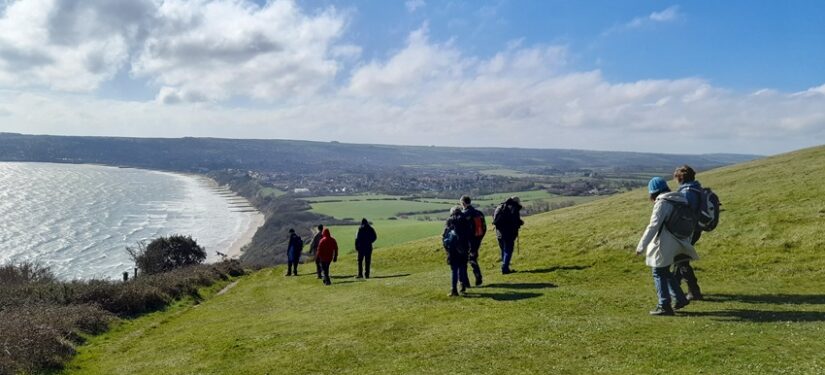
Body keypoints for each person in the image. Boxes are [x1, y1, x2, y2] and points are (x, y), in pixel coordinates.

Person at [636, 177, 699, 316]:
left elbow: (654, 225)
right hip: (680, 241)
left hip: (665, 242)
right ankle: (680, 298)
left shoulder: (662, 203)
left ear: (653, 192)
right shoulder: (681, 199)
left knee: (657, 272)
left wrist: (641, 246)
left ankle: (664, 305)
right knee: (665, 272)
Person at [673, 165, 704, 300]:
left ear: (680, 178)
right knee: (680, 258)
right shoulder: (696, 187)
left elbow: (686, 213)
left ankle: (694, 291)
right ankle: (675, 285)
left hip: (688, 229)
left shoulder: (687, 191)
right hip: (695, 228)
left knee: (681, 260)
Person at [444, 206, 472, 296]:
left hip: (452, 249)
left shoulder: (450, 220)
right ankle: (462, 286)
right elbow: (469, 234)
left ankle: (454, 290)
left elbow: (445, 235)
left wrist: (446, 247)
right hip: (464, 247)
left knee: (454, 270)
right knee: (463, 268)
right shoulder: (465, 219)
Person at [493, 196, 523, 274]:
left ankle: (505, 266)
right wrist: (520, 223)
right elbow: (515, 220)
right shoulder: (513, 207)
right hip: (508, 233)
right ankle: (505, 268)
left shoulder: (501, 206)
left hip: (498, 232)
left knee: (503, 249)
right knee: (508, 250)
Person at [460, 195, 487, 286]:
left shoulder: (463, 214)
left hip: (467, 241)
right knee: (473, 257)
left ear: (463, 203)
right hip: (477, 239)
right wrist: (479, 238)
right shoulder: (479, 213)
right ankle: (477, 275)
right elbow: (484, 227)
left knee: (464, 260)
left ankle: (466, 282)